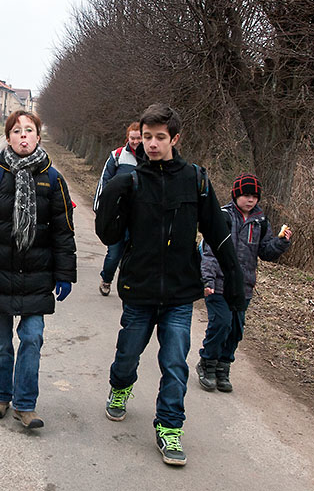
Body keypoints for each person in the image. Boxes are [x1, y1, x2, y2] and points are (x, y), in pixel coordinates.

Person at [95, 103, 245, 466]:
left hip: (179, 292)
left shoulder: (195, 179)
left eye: (160, 137)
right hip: (139, 289)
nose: (152, 144)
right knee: (127, 355)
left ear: (175, 139)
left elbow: (218, 233)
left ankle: (170, 427)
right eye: (147, 137)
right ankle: (120, 387)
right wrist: (112, 196)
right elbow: (108, 234)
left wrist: (234, 279)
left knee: (175, 362)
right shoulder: (132, 181)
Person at [0, 110, 77, 429]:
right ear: (8, 137)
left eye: (29, 130)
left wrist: (65, 274)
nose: (23, 136)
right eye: (17, 131)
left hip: (37, 276)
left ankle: (26, 404)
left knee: (33, 337)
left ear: (38, 136)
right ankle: (0, 395)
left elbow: (64, 232)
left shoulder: (53, 179)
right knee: (0, 343)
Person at [196, 174, 292, 392]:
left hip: (243, 286)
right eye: (246, 195)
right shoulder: (222, 216)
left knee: (235, 329)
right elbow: (210, 251)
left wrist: (281, 243)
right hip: (219, 283)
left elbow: (266, 251)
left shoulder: (260, 222)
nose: (250, 200)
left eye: (254, 196)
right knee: (221, 323)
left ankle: (223, 368)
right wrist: (207, 279)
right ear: (236, 194)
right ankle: (207, 363)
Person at [93, 122, 142, 296]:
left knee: (133, 255)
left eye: (139, 138)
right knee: (114, 253)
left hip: (138, 217)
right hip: (117, 215)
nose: (136, 141)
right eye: (133, 138)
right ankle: (106, 279)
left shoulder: (150, 159)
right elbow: (104, 182)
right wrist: (99, 208)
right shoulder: (118, 156)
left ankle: (127, 286)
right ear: (127, 138)